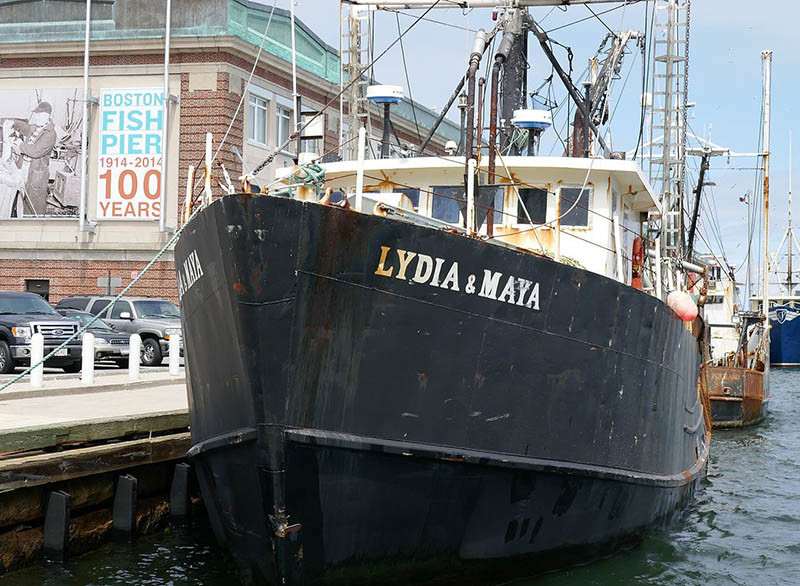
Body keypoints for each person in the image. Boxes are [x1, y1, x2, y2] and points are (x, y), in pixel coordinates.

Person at [12, 101, 56, 216]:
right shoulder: (35, 128)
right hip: (25, 167)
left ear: (46, 115)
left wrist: (19, 146)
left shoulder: (50, 134)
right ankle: (20, 217)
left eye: (38, 115)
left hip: (37, 173)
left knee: (34, 202)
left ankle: (34, 224)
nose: (35, 117)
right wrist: (11, 122)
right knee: (22, 196)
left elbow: (35, 151)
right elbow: (23, 127)